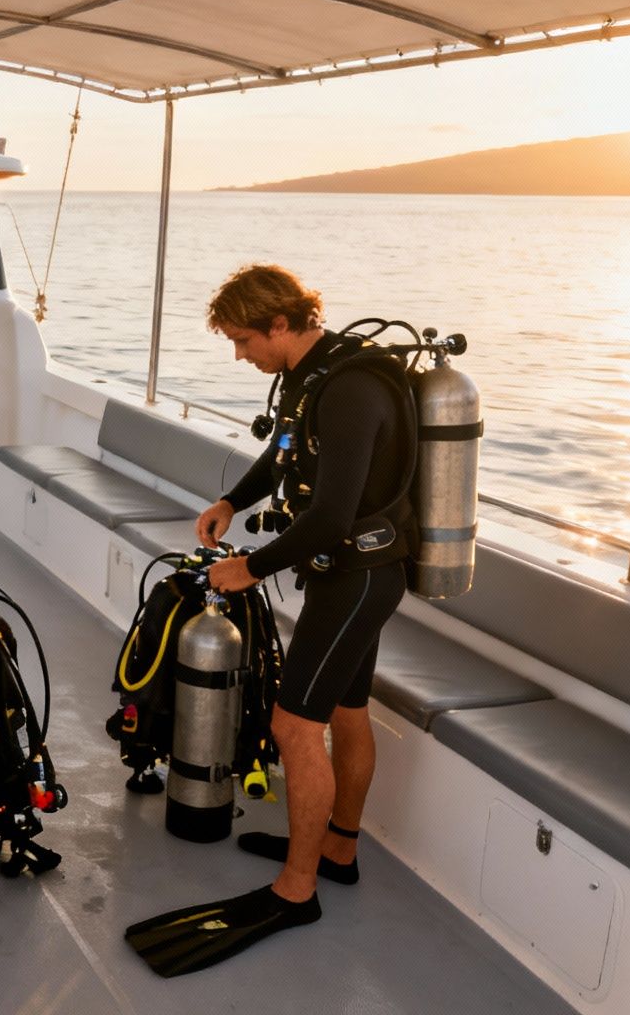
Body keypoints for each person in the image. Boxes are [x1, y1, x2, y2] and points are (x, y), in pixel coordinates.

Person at [124, 264, 417, 976]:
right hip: (342, 574)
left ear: (280, 325)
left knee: (295, 727)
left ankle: (298, 889)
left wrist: (249, 567)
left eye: (242, 340)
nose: (239, 354)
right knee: (348, 713)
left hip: (359, 578)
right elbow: (283, 450)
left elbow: (331, 516)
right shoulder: (310, 375)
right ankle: (338, 849)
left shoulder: (349, 389)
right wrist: (234, 500)